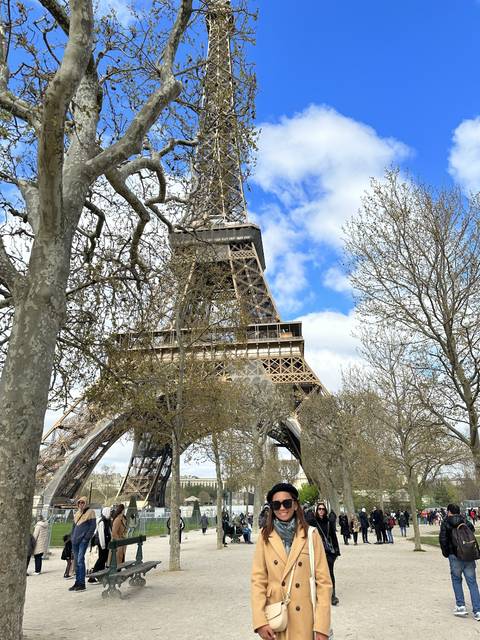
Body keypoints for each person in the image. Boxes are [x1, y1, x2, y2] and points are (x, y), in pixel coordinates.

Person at [251, 483, 332, 640]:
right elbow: (258, 581)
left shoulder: (311, 535)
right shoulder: (264, 537)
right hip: (276, 620)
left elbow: (324, 583)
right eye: (276, 504)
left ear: (295, 504)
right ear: (271, 509)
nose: (282, 508)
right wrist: (260, 621)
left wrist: (322, 627)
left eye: (287, 503)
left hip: (306, 620)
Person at [439, 503, 480, 620]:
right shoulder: (464, 520)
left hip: (454, 554)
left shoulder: (446, 522)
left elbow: (443, 539)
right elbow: (471, 530)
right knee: (472, 582)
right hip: (468, 554)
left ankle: (461, 605)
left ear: (449, 511)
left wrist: (446, 552)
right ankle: (478, 610)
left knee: (457, 580)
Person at [307, 502, 341, 607]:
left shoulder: (329, 522)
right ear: (316, 511)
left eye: (323, 509)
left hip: (328, 552)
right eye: (319, 509)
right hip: (317, 551)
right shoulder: (313, 522)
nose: (321, 511)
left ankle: (332, 595)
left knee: (330, 573)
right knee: (317, 573)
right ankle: (319, 593)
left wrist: (336, 551)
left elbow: (333, 536)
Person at [70, 496, 96, 591]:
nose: (81, 504)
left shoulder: (91, 512)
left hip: (82, 541)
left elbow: (92, 527)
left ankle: (82, 583)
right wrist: (72, 537)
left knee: (80, 560)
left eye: (83, 503)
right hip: (75, 541)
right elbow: (73, 527)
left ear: (86, 503)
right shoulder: (77, 513)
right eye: (79, 503)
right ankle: (77, 582)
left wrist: (86, 539)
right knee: (77, 562)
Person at [88, 506, 112, 582]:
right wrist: (103, 545)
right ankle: (93, 576)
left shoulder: (107, 521)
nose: (111, 513)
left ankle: (100, 575)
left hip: (106, 543)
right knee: (101, 559)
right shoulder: (102, 522)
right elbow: (101, 535)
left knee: (103, 559)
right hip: (102, 544)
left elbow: (109, 532)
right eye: (110, 512)